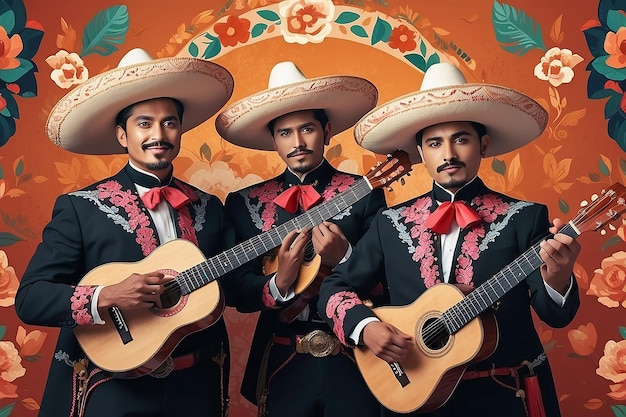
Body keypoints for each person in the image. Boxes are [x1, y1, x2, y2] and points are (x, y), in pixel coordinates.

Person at [317, 62, 581, 417]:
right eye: (434, 143)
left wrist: (559, 278)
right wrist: (366, 328)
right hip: (412, 395)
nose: (449, 154)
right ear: (421, 154)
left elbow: (556, 316)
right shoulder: (389, 222)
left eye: (461, 139)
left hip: (500, 395)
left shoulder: (525, 217)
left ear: (483, 145)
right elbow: (334, 286)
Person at [15, 48, 243, 417]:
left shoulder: (209, 206)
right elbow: (30, 299)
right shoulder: (81, 207)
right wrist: (107, 295)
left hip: (194, 385)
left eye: (169, 122)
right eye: (144, 124)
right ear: (122, 135)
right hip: (111, 387)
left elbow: (232, 288)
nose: (159, 134)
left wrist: (284, 277)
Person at [216, 61, 387, 417]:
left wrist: (345, 257)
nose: (297, 142)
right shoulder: (244, 202)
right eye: (285, 133)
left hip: (354, 353)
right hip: (282, 355)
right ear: (273, 141)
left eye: (307, 128)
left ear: (326, 131)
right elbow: (235, 292)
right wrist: (279, 282)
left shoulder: (363, 191)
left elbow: (389, 280)